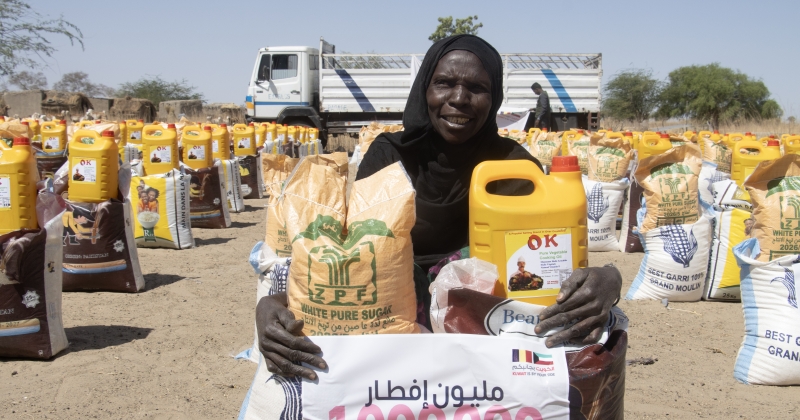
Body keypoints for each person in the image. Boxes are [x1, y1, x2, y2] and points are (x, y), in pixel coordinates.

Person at [255, 35, 622, 380]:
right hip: (390, 312)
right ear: (424, 89)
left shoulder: (516, 168)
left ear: (493, 98)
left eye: (477, 88)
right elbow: (348, 254)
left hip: (483, 327)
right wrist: (273, 301)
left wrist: (609, 279)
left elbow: (546, 260)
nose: (459, 98)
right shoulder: (390, 156)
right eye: (445, 83)